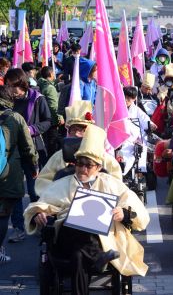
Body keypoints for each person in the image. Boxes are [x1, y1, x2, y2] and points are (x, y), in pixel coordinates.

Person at [24, 125, 150, 294]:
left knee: (78, 255)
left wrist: (123, 213)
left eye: (88, 165)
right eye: (80, 163)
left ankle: (94, 259)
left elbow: (135, 206)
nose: (83, 169)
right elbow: (39, 205)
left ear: (98, 167)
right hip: (64, 238)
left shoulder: (109, 183)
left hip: (99, 241)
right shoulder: (62, 183)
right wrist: (39, 215)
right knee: (74, 225)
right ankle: (97, 258)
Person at [35, 101, 123, 195]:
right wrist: (57, 195)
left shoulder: (103, 157)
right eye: (74, 129)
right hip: (64, 204)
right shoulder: (59, 156)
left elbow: (117, 186)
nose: (77, 133)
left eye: (81, 130)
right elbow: (43, 181)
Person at [0, 86, 38, 263]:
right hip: (9, 173)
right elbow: (28, 148)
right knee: (3, 214)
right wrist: (33, 165)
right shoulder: (16, 118)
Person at [37, 66, 64, 158]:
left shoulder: (41, 84)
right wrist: (59, 117)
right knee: (52, 142)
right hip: (52, 120)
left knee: (47, 141)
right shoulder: (50, 88)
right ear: (51, 74)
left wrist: (56, 81)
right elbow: (53, 106)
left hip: (44, 118)